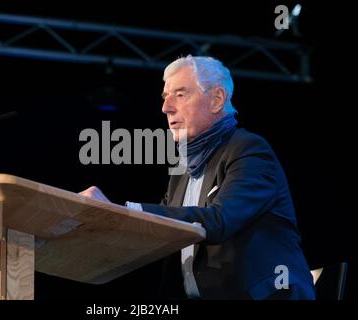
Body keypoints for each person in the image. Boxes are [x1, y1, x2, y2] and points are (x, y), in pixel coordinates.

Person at [79, 55, 315, 300]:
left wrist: (124, 210)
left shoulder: (249, 150)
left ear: (216, 100)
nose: (166, 107)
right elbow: (162, 228)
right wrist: (104, 221)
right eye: (165, 97)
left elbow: (219, 220)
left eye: (180, 95)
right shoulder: (182, 167)